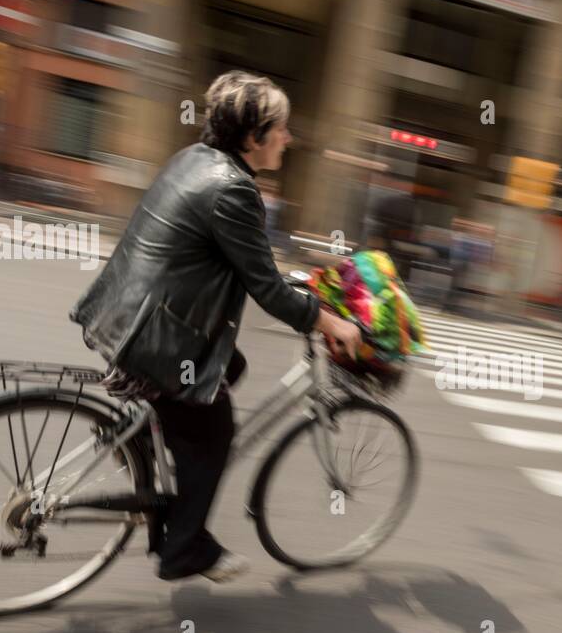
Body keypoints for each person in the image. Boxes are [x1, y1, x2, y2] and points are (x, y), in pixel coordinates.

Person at [70, 71, 361, 583]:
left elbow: (244, 262)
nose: (289, 139)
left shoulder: (195, 159)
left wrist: (303, 285)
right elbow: (266, 289)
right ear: (254, 138)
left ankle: (165, 478)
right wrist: (329, 322)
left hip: (122, 312)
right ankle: (184, 548)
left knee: (230, 367)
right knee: (215, 431)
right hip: (155, 340)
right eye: (282, 129)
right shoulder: (235, 191)